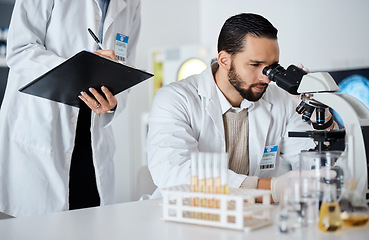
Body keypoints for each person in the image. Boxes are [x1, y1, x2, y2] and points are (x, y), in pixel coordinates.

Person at [147, 13, 317, 202]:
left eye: (272, 67)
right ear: (224, 60)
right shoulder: (175, 99)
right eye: (255, 64)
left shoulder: (282, 100)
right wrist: (269, 189)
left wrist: (320, 117)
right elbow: (174, 173)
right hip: (184, 215)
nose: (266, 77)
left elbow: (311, 163)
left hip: (250, 220)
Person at [0, 0, 141, 217]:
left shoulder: (131, 4)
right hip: (40, 135)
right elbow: (20, 49)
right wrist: (81, 71)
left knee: (89, 223)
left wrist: (112, 104)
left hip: (92, 144)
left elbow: (125, 69)